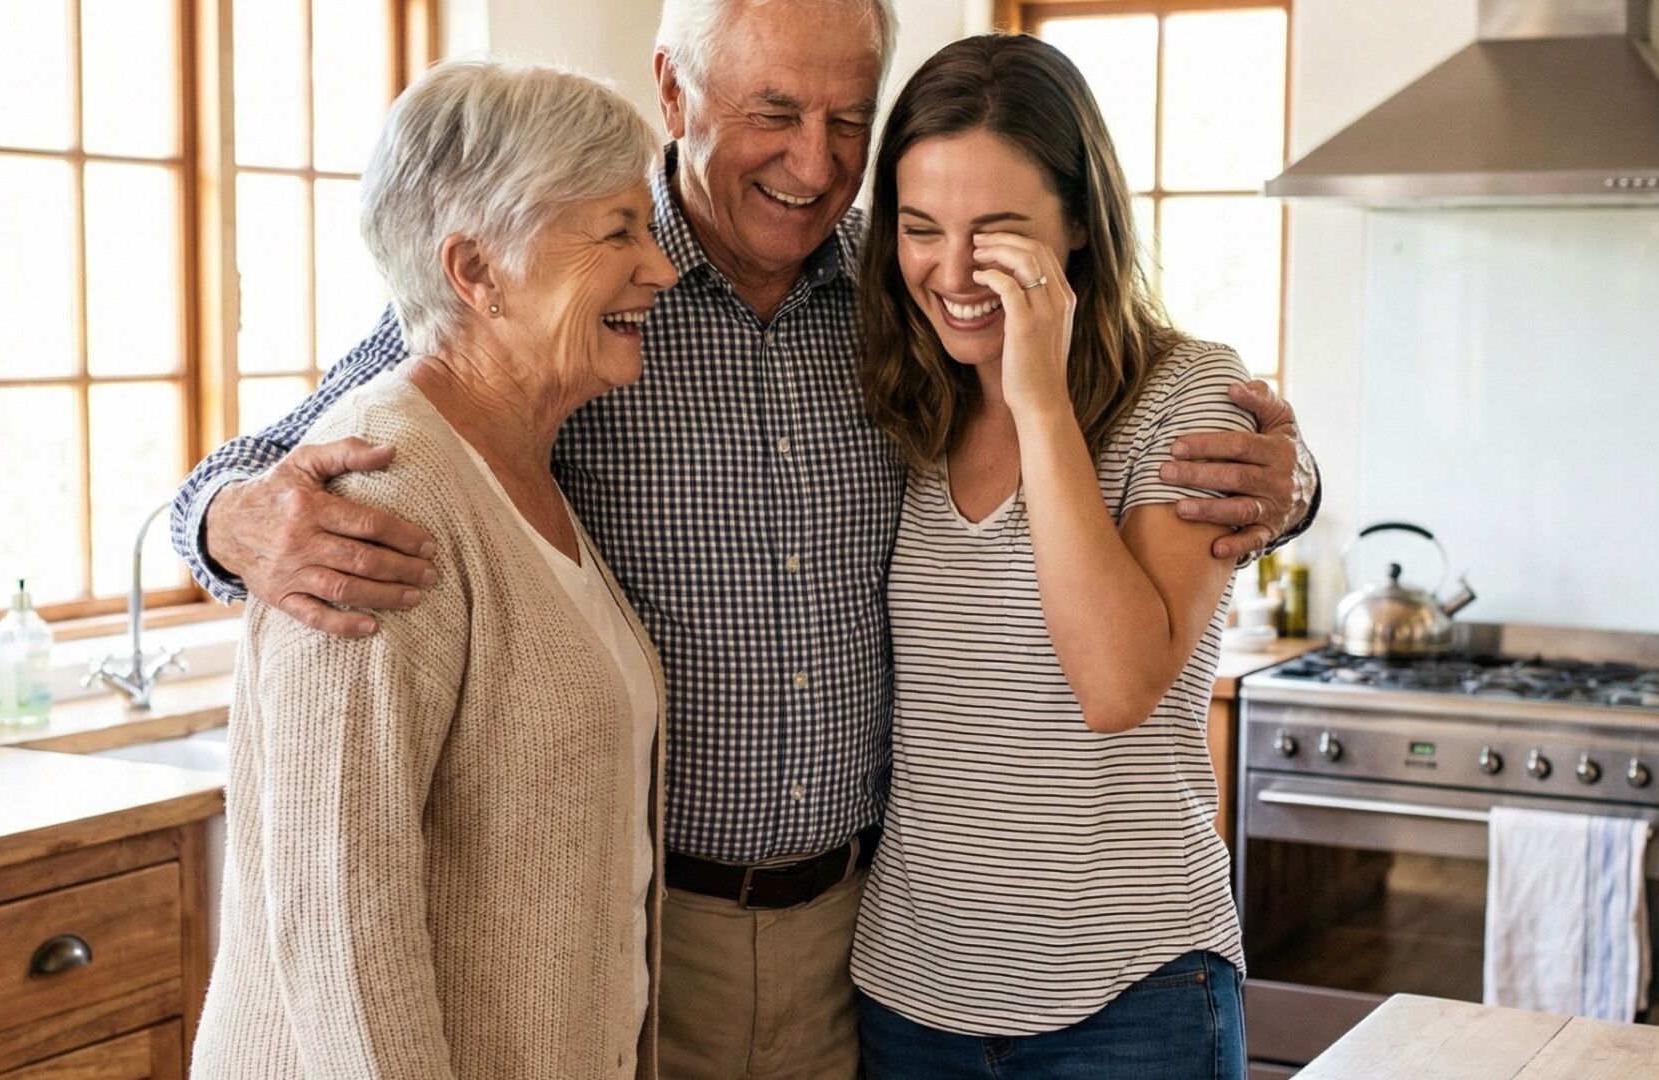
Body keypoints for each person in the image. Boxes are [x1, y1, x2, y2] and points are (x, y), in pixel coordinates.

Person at [170, 3, 1319, 1075]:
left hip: (854, 938)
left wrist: (1292, 484)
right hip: (648, 930)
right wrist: (228, 521)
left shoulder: (907, 299)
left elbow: (1129, 429)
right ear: (675, 93)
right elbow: (347, 432)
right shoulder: (564, 281)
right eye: (775, 112)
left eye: (849, 121)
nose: (813, 164)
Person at [188, 59, 676, 1079]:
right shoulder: (379, 495)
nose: (660, 269)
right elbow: (338, 925)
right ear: (477, 269)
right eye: (618, 231)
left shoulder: (515, 465)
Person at [848, 34, 1253, 1077]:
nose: (951, 272)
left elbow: (1116, 685)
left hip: (1131, 1000)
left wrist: (1038, 399)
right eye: (920, 229)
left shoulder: (1187, 396)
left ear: (1078, 223)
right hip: (912, 999)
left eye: (997, 233)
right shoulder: (906, 394)